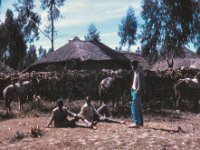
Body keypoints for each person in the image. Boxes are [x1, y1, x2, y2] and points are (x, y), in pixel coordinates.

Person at [129, 60, 145, 128]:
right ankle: (140, 122)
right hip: (134, 91)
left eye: (132, 65)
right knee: (138, 107)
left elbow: (141, 83)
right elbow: (135, 82)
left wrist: (137, 91)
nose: (132, 67)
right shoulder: (136, 72)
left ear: (135, 65)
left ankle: (136, 123)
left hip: (136, 92)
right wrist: (132, 89)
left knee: (134, 107)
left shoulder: (139, 73)